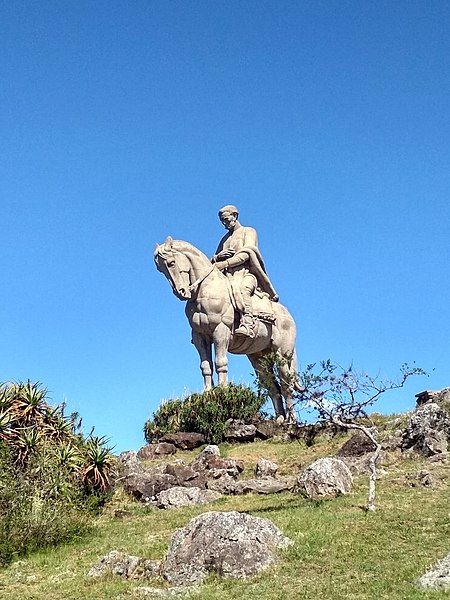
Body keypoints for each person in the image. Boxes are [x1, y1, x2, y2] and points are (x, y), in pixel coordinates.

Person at [211, 205, 279, 337]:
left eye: (226, 219)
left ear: (235, 216)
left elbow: (248, 253)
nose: (224, 224)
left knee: (243, 289)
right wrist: (217, 257)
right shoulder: (224, 240)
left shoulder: (249, 231)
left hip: (246, 273)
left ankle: (248, 323)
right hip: (228, 276)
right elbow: (213, 260)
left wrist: (225, 263)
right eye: (222, 221)